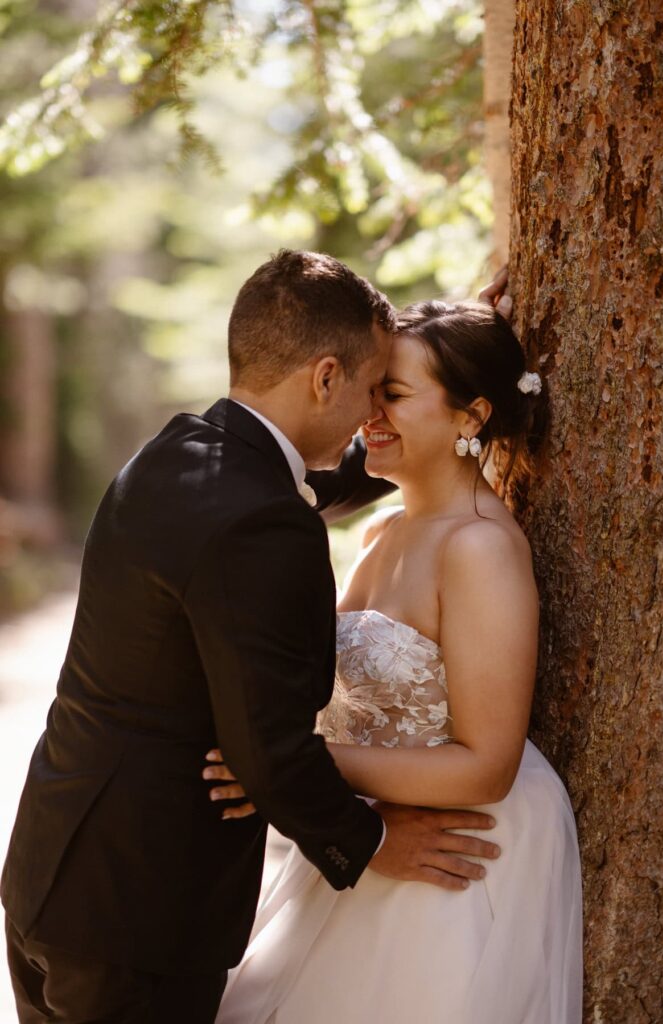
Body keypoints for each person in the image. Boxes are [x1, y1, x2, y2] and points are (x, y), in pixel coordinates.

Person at [1, 252, 503, 1024]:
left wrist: (463, 381)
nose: (375, 414)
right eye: (374, 388)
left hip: (49, 880)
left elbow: (314, 482)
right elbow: (265, 746)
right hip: (143, 920)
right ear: (324, 378)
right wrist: (367, 842)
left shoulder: (181, 453)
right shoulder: (263, 522)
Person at [208, 299, 583, 1024]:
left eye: (395, 395)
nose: (368, 413)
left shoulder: (479, 549)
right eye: (369, 391)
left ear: (471, 418)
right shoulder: (382, 531)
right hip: (375, 834)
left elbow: (486, 763)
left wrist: (288, 767)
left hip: (454, 854)